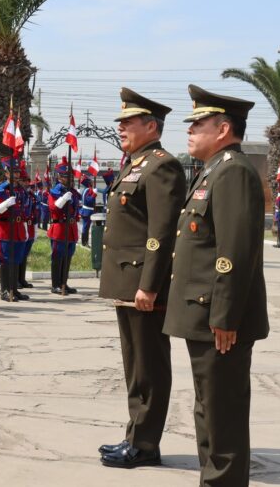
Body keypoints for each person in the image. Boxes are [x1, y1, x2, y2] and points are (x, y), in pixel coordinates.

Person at [165, 84, 269, 486]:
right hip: (206, 314)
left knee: (221, 413)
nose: (189, 131)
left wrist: (224, 316)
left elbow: (234, 253)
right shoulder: (215, 169)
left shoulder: (233, 172)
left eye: (198, 124)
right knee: (209, 409)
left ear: (223, 128)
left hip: (219, 319)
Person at [97, 88, 186, 469]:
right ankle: (137, 435)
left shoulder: (161, 165)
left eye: (128, 122)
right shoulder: (135, 163)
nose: (121, 127)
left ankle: (145, 443)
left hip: (143, 285)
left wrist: (149, 284)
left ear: (151, 126)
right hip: (127, 284)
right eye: (120, 122)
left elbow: (161, 231)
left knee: (148, 365)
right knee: (135, 364)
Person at [0, 157, 28, 302]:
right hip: (5, 229)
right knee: (6, 260)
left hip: (18, 228)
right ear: (6, 173)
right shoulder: (0, 190)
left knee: (16, 260)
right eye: (13, 172)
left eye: (18, 172)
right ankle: (5, 290)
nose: (17, 175)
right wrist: (6, 203)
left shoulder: (21, 190)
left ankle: (14, 289)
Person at [47, 158, 81, 294]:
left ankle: (64, 283)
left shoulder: (72, 192)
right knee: (58, 257)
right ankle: (55, 284)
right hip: (60, 229)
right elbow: (53, 208)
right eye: (67, 176)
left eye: (71, 176)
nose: (70, 179)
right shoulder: (55, 192)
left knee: (67, 257)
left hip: (71, 229)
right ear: (60, 177)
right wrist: (63, 199)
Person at [78, 176, 97, 246]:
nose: (92, 182)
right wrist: (94, 195)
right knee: (86, 227)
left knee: (85, 227)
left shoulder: (85, 190)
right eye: (91, 181)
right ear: (89, 183)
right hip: (87, 211)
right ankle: (84, 243)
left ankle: (85, 242)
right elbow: (88, 200)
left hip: (86, 211)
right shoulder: (88, 190)